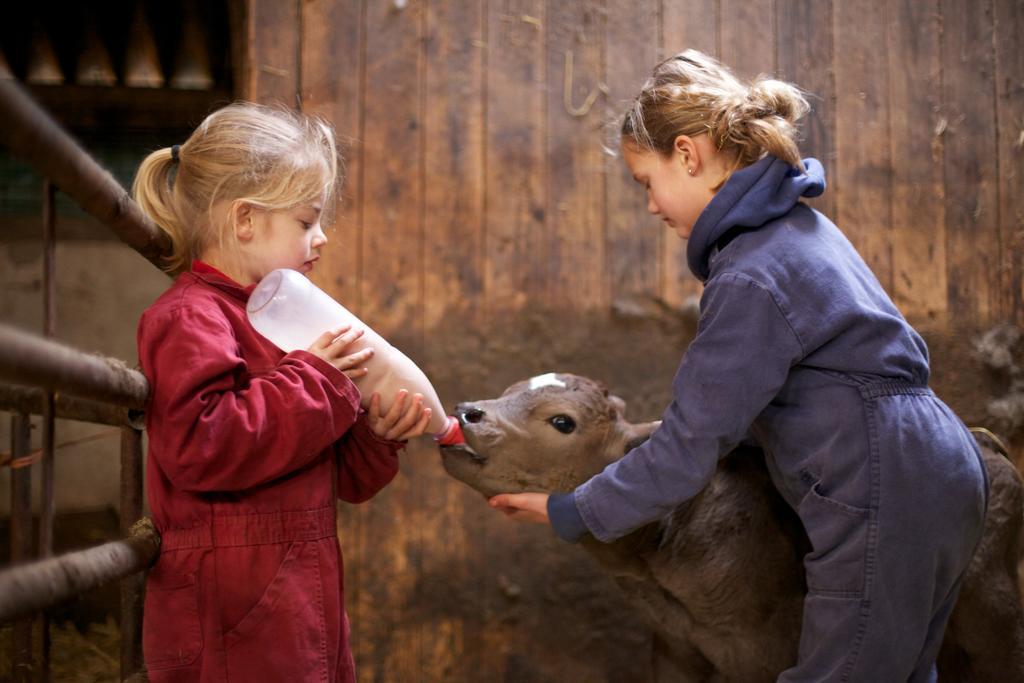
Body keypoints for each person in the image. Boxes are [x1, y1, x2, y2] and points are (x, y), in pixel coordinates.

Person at [489, 50, 987, 681]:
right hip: (937, 464)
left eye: (647, 181)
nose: (650, 206)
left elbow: (689, 444)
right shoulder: (799, 230)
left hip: (881, 479)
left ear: (689, 156)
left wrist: (573, 509)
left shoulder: (751, 272)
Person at [132, 102, 431, 681]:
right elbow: (202, 446)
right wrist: (317, 379)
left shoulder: (284, 320)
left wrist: (375, 436)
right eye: (305, 221)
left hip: (297, 598)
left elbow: (340, 480)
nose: (320, 239)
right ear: (245, 220)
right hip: (229, 614)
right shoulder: (191, 317)